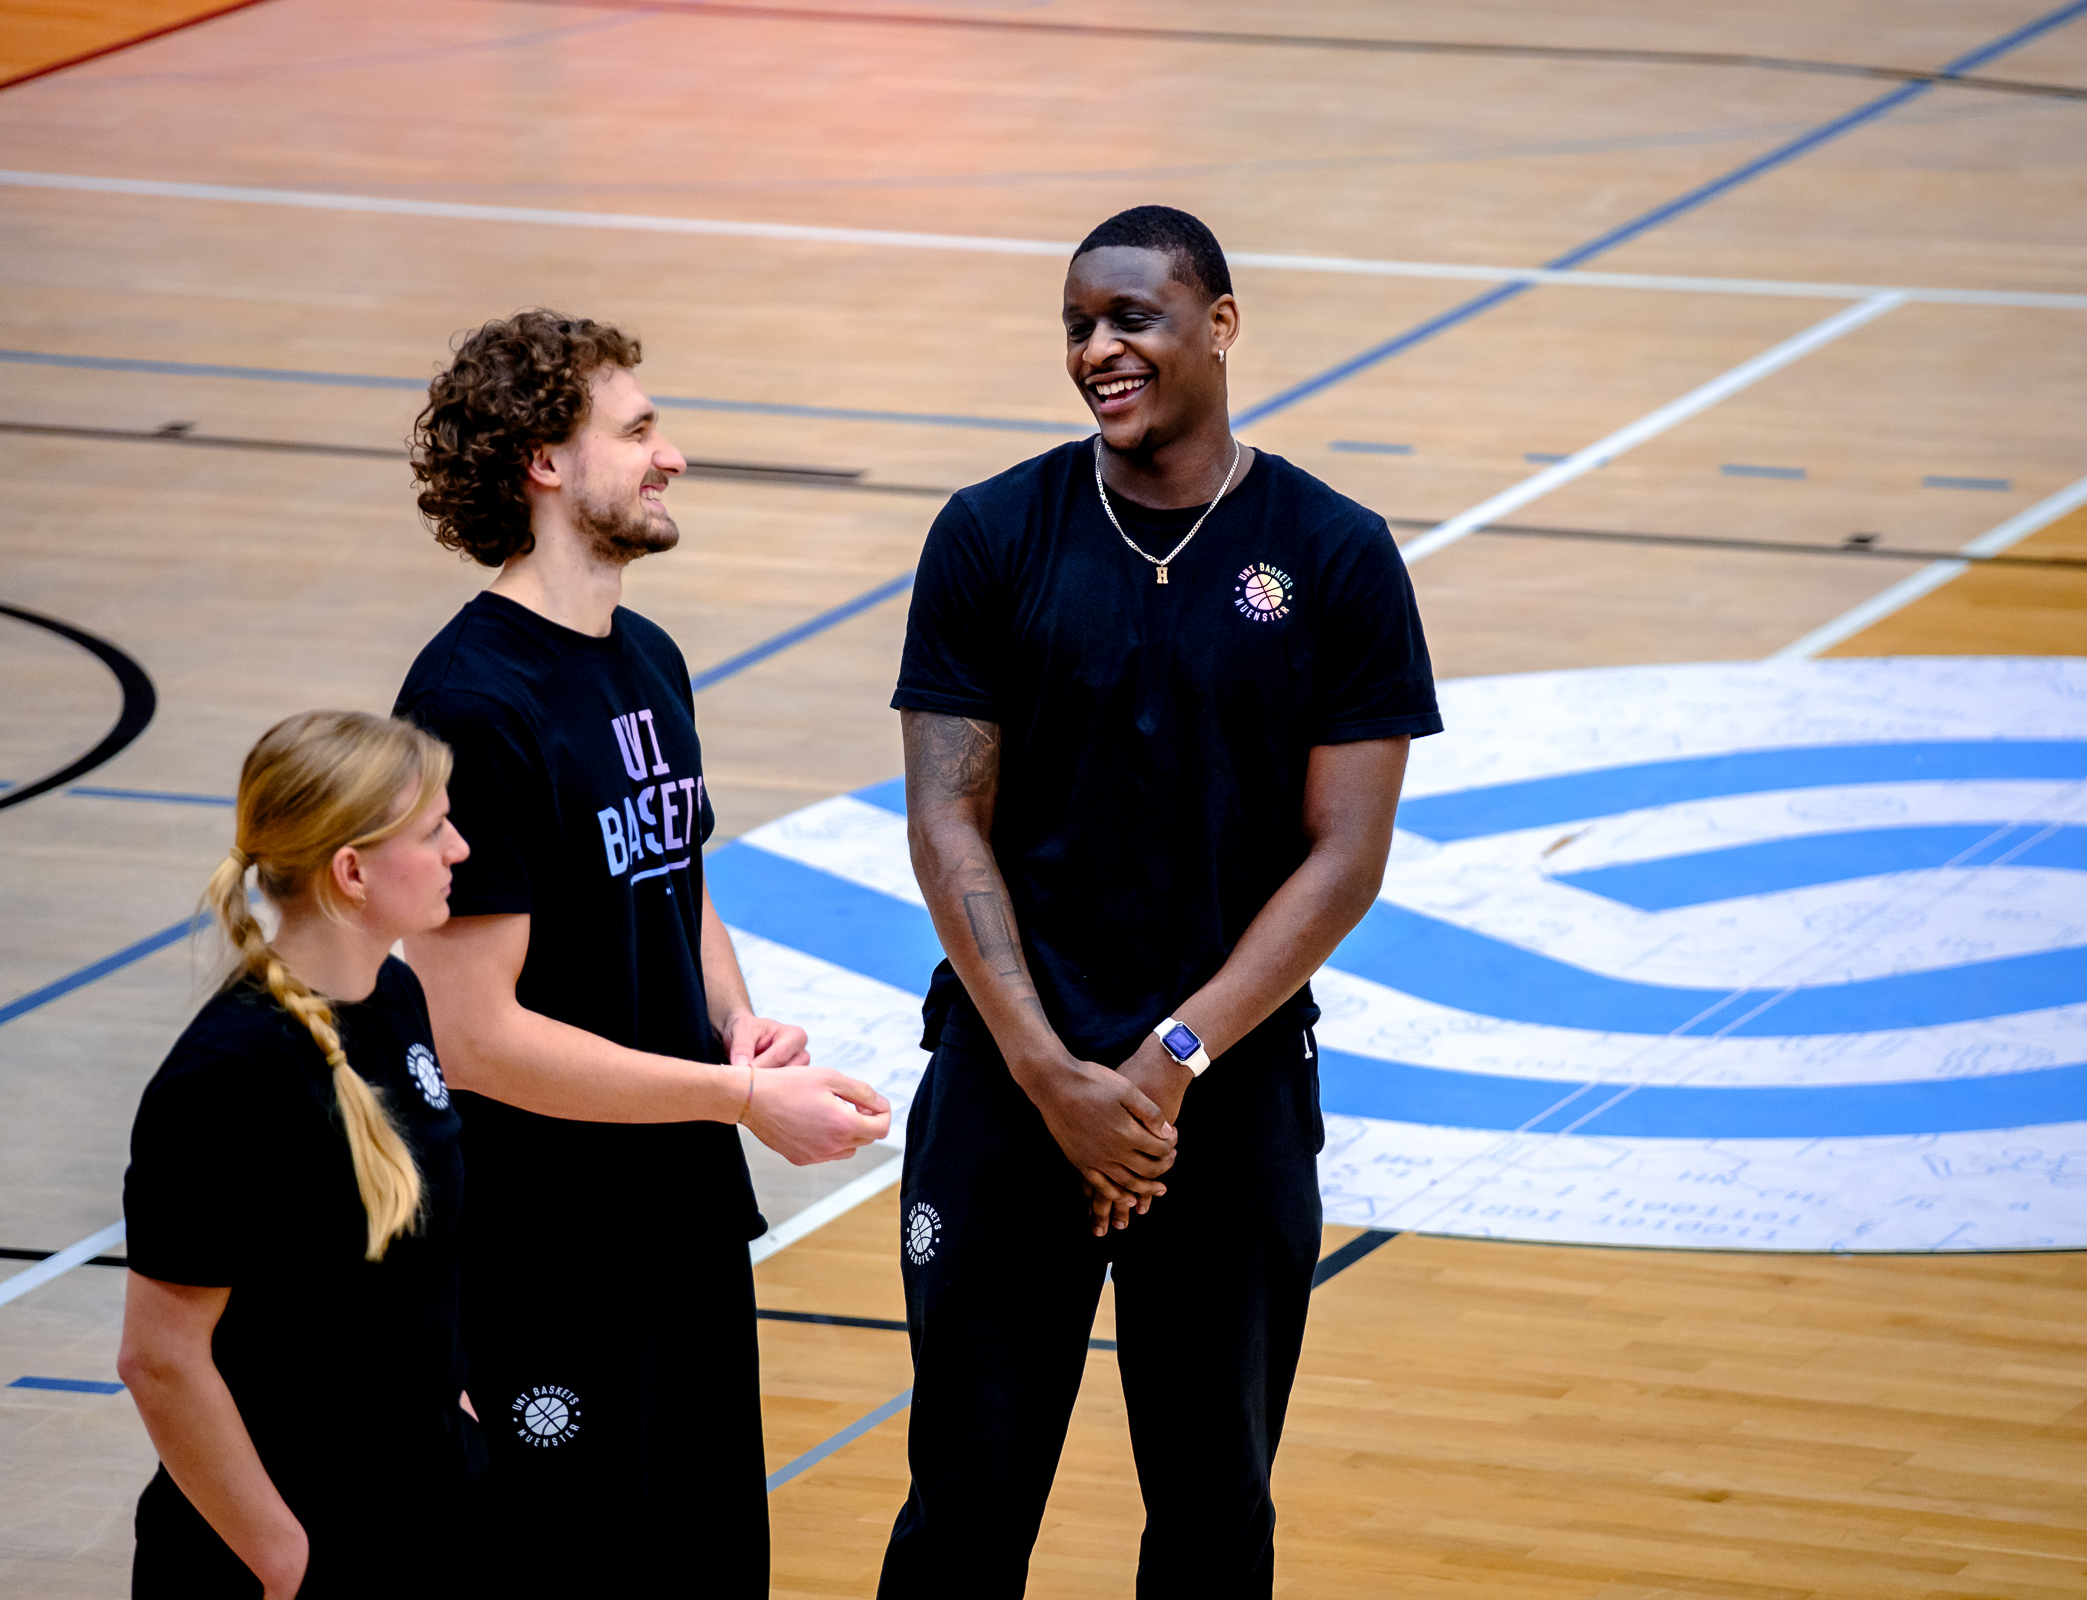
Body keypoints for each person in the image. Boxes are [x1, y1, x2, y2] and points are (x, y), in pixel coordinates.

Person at [881, 205, 1444, 1595]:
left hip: (1226, 1096)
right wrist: (1047, 1071)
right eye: (1078, 325)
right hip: (1009, 1083)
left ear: (1221, 323)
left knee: (1212, 1508)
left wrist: (1170, 1057)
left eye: (1130, 317)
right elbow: (947, 819)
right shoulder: (991, 533)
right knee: (966, 1502)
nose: (1098, 349)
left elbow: (1344, 857)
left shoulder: (1336, 551)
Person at [393, 309, 892, 1595]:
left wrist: (737, 1023)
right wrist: (739, 1097)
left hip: (682, 1216)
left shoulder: (648, 659)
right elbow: (474, 1037)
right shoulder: (471, 704)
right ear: (544, 462)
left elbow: (677, 875)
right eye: (639, 431)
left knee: (713, 1562)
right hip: (548, 1251)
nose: (671, 457)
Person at [119, 709, 478, 1598]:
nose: (460, 849)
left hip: (424, 1514)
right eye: (433, 831)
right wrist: (281, 1558)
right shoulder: (231, 1076)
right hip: (291, 1547)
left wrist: (457, 1413)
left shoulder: (396, 999)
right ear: (351, 872)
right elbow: (160, 1358)